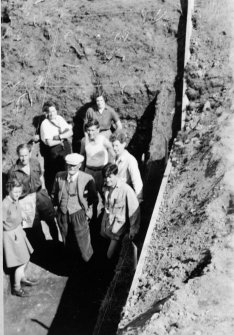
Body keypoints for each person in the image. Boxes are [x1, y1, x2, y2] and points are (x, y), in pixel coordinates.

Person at [8, 144, 59, 245]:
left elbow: (41, 177)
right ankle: (42, 249)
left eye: (26, 155)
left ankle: (56, 244)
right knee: (34, 227)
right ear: (18, 155)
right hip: (25, 200)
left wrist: (45, 191)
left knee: (51, 221)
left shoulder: (35, 162)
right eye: (21, 155)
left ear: (30, 153)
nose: (23, 158)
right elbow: (12, 192)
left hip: (40, 195)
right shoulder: (13, 171)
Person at [51, 153, 99, 262]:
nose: (71, 168)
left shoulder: (87, 178)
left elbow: (94, 199)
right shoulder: (59, 176)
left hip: (78, 214)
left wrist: (88, 213)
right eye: (69, 165)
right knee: (67, 240)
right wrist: (56, 210)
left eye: (74, 165)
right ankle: (73, 265)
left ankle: (88, 264)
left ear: (79, 166)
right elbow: (54, 194)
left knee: (83, 243)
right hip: (63, 214)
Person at [3, 179, 37, 297]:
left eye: (19, 192)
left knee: (26, 257)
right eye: (15, 192)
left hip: (18, 232)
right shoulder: (5, 204)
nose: (18, 194)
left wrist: (22, 216)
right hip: (12, 237)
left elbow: (17, 212)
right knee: (21, 262)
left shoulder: (15, 200)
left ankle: (22, 278)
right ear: (9, 190)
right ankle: (16, 288)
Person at [101, 163, 140, 259]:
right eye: (105, 178)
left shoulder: (126, 190)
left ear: (116, 175)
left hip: (117, 229)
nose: (107, 180)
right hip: (107, 226)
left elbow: (134, 211)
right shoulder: (106, 188)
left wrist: (133, 230)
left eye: (110, 177)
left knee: (109, 255)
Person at [40, 100, 73, 194]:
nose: (52, 113)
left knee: (66, 169)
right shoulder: (45, 124)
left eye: (54, 111)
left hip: (65, 148)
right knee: (56, 172)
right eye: (49, 112)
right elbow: (49, 143)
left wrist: (60, 137)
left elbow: (70, 132)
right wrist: (62, 138)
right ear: (46, 113)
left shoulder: (59, 118)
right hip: (54, 150)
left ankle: (65, 192)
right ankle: (55, 193)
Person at [80, 119, 115, 196]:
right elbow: (82, 156)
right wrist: (82, 172)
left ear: (98, 130)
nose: (90, 133)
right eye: (88, 130)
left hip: (101, 172)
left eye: (93, 130)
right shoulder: (84, 140)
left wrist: (109, 170)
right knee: (89, 196)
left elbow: (113, 153)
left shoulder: (103, 140)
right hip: (89, 172)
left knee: (104, 194)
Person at [109, 131, 143, 202]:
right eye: (113, 146)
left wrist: (138, 200)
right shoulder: (114, 158)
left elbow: (137, 181)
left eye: (116, 145)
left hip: (124, 196)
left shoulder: (130, 160)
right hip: (113, 194)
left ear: (124, 144)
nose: (114, 148)